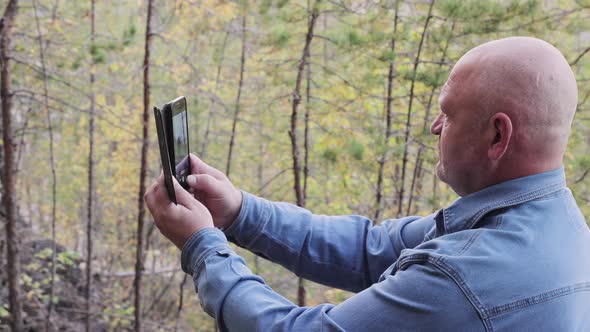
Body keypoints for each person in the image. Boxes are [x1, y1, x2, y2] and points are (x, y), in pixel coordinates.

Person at [145, 37, 590, 331]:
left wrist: (203, 247)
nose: (436, 126)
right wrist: (240, 212)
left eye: (449, 113)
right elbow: (369, 248)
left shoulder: (467, 276)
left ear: (498, 135)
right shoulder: (561, 228)